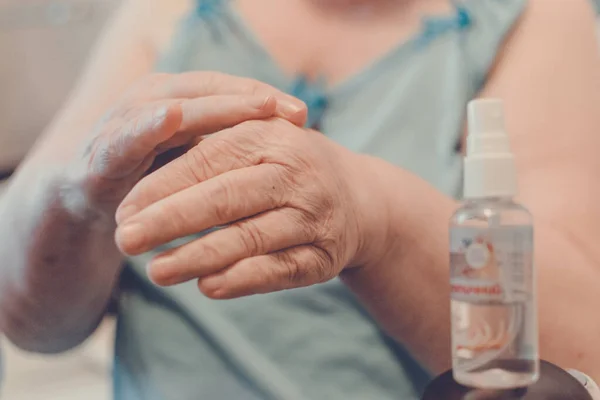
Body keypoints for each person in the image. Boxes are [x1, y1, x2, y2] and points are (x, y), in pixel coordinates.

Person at [0, 0, 599, 399]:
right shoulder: (170, 12)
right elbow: (27, 321)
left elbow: (580, 355)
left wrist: (377, 217)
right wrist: (80, 203)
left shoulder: (537, 19)